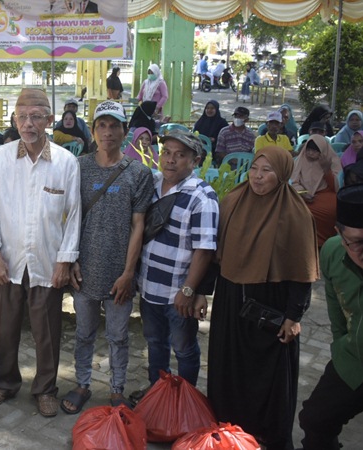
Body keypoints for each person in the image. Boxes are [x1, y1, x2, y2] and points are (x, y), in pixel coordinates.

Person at [206, 146, 319, 450]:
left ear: (282, 174)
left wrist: (294, 316)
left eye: (267, 171)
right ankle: (228, 432)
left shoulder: (295, 214)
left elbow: (302, 272)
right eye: (255, 168)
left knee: (269, 375)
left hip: (271, 305)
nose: (257, 176)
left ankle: (266, 436)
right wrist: (201, 292)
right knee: (229, 366)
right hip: (231, 299)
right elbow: (214, 254)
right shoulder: (233, 201)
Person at [0, 88, 81, 418]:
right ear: (14, 119)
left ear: (49, 120)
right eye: (22, 116)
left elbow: (73, 215)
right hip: (7, 260)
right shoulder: (0, 158)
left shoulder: (66, 162)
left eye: (36, 117)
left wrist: (65, 260)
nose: (28, 123)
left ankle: (45, 389)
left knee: (47, 332)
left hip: (47, 261)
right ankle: (4, 383)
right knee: (4, 328)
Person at [63, 100, 153, 414]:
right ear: (93, 130)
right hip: (84, 270)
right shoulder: (78, 168)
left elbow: (138, 225)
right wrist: (71, 260)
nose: (108, 132)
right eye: (101, 125)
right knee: (84, 333)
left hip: (119, 274)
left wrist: (129, 273)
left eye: (114, 125)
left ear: (125, 131)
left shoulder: (139, 173)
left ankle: (117, 390)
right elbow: (68, 217)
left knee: (118, 336)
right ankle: (82, 384)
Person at [131, 131, 218, 403]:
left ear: (195, 161)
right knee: (155, 343)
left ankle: (184, 401)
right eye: (167, 152)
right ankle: (158, 394)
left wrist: (189, 290)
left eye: (180, 155)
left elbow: (205, 250)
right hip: (149, 286)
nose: (170, 160)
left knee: (184, 349)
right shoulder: (153, 185)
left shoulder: (202, 197)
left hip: (178, 293)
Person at [299, 184, 363, 449]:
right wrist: (340, 347)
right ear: (338, 233)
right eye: (357, 242)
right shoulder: (333, 252)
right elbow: (336, 309)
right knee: (314, 420)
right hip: (352, 361)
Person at [291, 135, 342, 247]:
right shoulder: (300, 160)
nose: (310, 153)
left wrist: (326, 169)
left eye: (315, 151)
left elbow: (337, 187)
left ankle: (323, 242)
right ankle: (303, 242)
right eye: (308, 150)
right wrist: (303, 193)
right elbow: (293, 182)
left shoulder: (331, 160)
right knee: (294, 210)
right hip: (302, 195)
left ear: (322, 150)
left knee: (331, 210)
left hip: (326, 193)